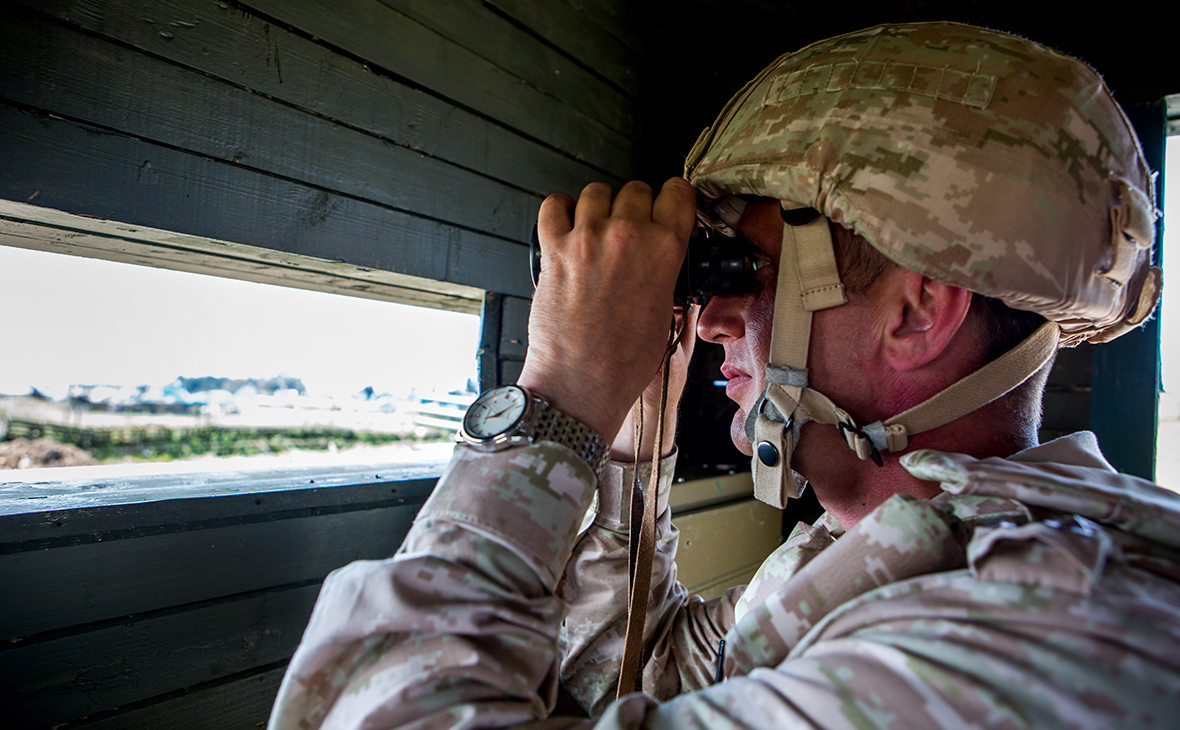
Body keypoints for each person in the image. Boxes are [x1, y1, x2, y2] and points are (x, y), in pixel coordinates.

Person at [269, 22, 1180, 729]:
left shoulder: (1012, 641)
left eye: (747, 274)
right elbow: (630, 675)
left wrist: (552, 405)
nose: (709, 321)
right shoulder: (884, 552)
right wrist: (630, 441)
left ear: (914, 313)